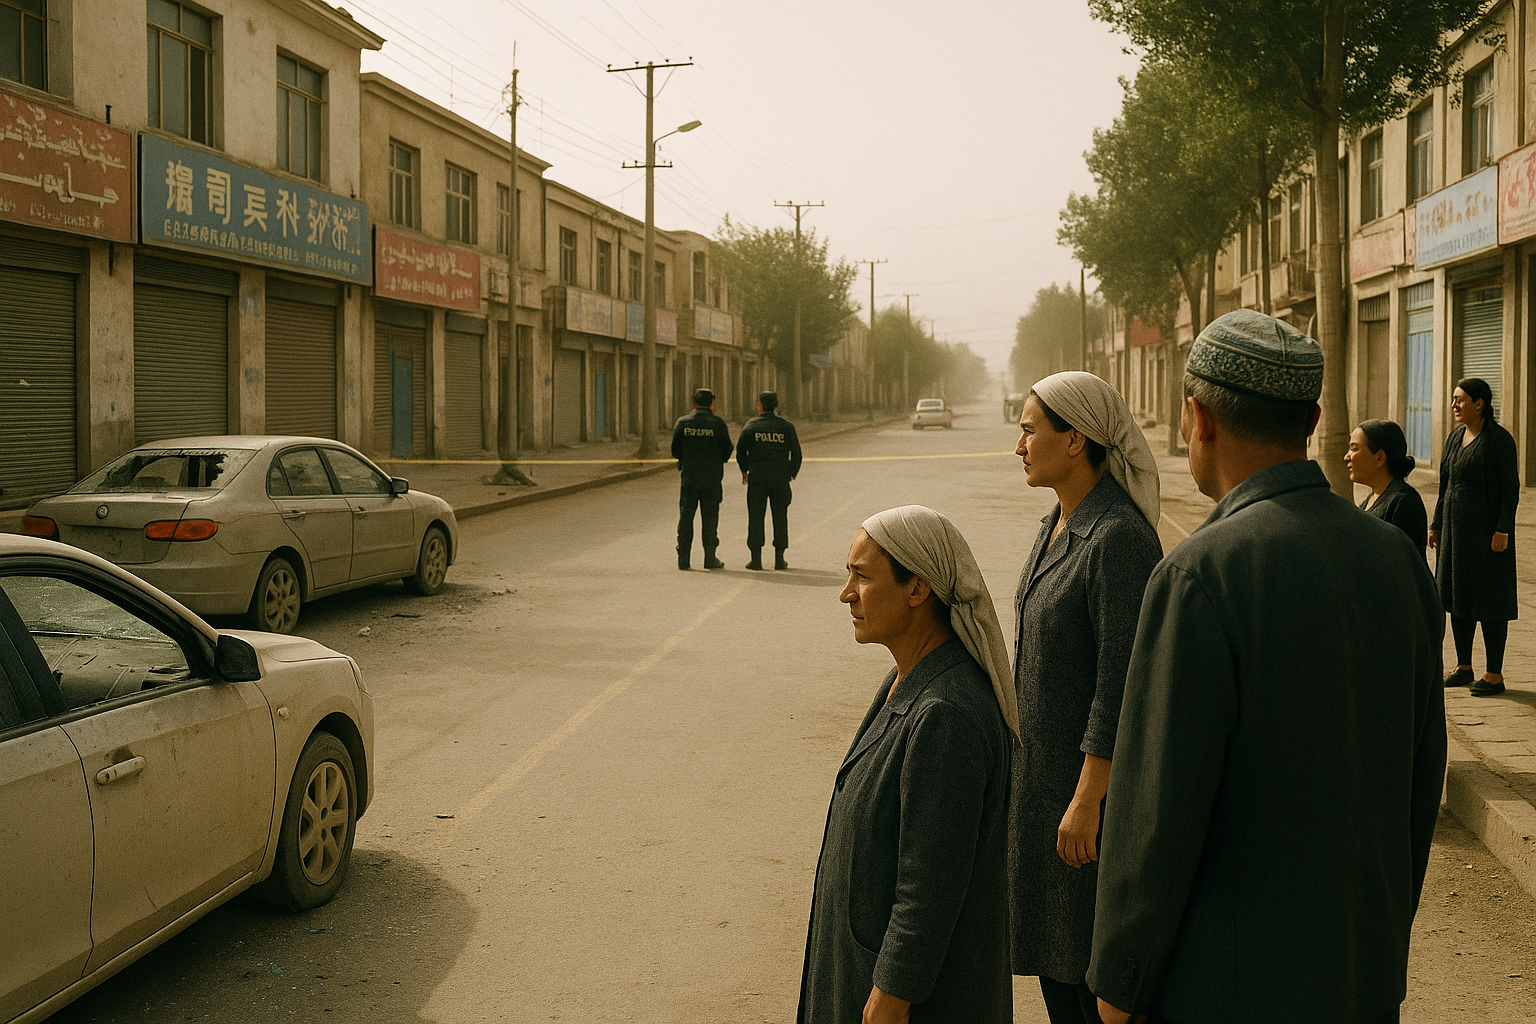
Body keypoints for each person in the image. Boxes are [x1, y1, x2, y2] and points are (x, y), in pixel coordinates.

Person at [1086, 309, 1446, 1024]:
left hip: (1225, 989)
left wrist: (1120, 982)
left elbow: (1157, 812)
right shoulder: (1397, 561)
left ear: (1198, 417)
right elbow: (1418, 776)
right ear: (1312, 420)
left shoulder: (1198, 575)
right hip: (1360, 979)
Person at [799, 506, 1017, 1024]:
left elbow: (930, 881)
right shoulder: (907, 680)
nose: (846, 594)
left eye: (862, 576)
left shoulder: (946, 713)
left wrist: (893, 993)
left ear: (917, 589)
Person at [1009, 372, 1162, 1024]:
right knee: (1057, 969)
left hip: (1087, 806)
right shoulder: (1059, 521)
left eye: (1029, 430)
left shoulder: (1118, 537)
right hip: (1045, 791)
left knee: (1089, 983)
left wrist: (1087, 800)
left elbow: (1120, 683)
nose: (1019, 445)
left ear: (1075, 439)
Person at [1429, 377, 1520, 697]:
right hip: (1456, 533)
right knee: (1458, 595)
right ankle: (1464, 666)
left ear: (1479, 404)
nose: (1454, 405)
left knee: (1490, 599)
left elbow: (1510, 489)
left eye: (1460, 399)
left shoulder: (1498, 440)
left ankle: (1494, 674)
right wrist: (1436, 523)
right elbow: (1446, 484)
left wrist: (1503, 529)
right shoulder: (1455, 438)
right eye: (1454, 399)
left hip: (1487, 534)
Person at [736, 391, 802, 570]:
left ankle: (756, 559)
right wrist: (791, 473)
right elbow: (796, 453)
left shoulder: (751, 426)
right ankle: (779, 559)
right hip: (780, 478)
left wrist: (745, 471)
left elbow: (740, 452)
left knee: (756, 516)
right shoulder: (786, 427)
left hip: (757, 478)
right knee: (780, 516)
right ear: (776, 406)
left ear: (759, 405)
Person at [1346, 418, 1428, 557]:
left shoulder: (1404, 502)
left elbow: (1403, 560)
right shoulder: (1373, 497)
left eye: (1354, 448)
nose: (1347, 457)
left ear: (1380, 458)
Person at [670, 388, 732, 571]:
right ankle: (710, 557)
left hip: (690, 477)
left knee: (686, 516)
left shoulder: (683, 423)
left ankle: (683, 558)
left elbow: (675, 450)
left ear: (694, 403)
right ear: (712, 403)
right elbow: (727, 449)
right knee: (710, 517)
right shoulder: (718, 423)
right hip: (712, 478)